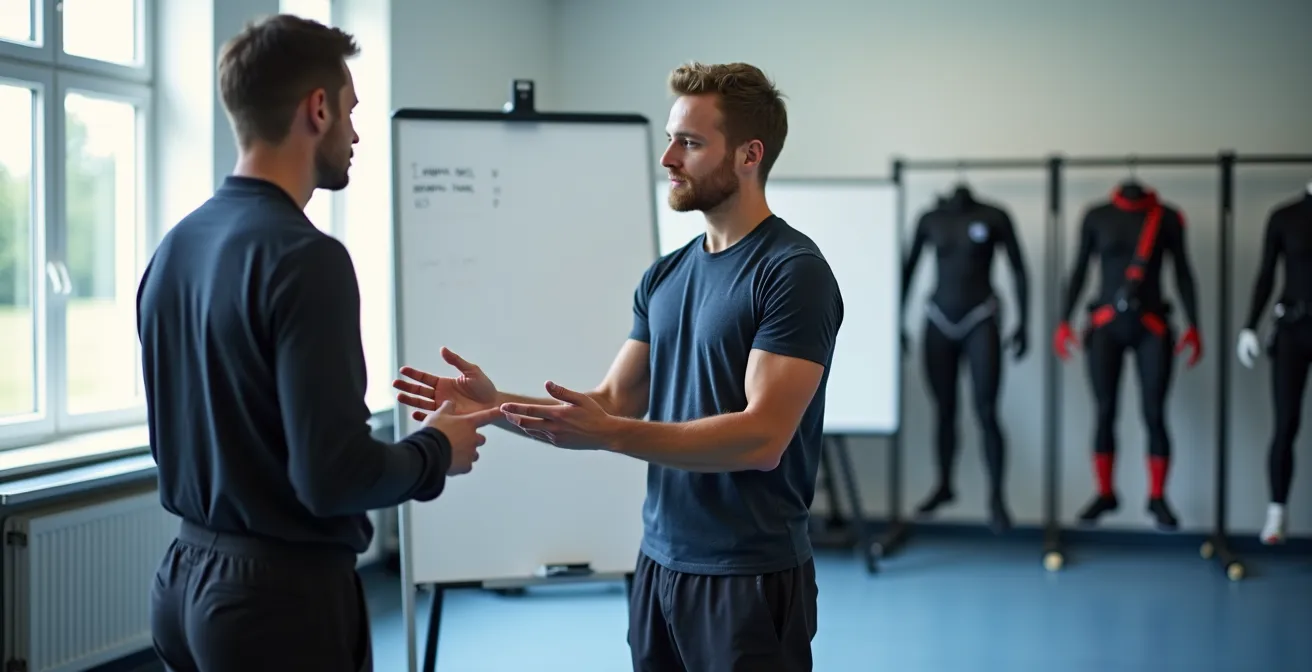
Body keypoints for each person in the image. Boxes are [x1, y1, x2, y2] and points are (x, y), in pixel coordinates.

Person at [394, 62, 844, 671]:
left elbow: (763, 438)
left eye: (689, 142)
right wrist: (494, 405)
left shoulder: (791, 273)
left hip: (748, 572)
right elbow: (610, 402)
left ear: (749, 154)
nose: (668, 158)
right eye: (669, 138)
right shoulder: (665, 276)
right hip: (658, 565)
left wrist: (612, 435)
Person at [136, 15, 500, 672]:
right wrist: (437, 449)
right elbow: (333, 477)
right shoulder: (308, 258)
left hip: (180, 585)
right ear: (319, 108)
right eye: (352, 110)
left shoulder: (175, 249)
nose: (356, 133)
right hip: (277, 603)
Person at [1052, 179, 1202, 532]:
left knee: (1154, 412)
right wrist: (1063, 320)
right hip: (1105, 326)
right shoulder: (1096, 216)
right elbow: (1077, 270)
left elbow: (1183, 271)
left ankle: (1158, 496)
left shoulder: (1166, 217)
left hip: (1152, 326)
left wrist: (1196, 324)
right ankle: (1105, 492)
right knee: (1104, 411)